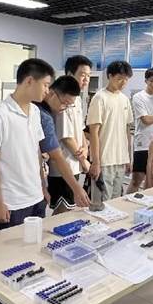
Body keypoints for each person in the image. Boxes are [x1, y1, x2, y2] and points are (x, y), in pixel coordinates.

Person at [0, 58, 54, 304]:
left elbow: (36, 152)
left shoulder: (35, 113)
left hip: (34, 200)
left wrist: (43, 186)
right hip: (10, 204)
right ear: (29, 81)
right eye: (46, 85)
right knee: (8, 265)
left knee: (32, 260)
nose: (48, 91)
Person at [36, 75, 90, 208]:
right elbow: (58, 154)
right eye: (64, 103)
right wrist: (77, 188)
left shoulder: (48, 111)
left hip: (41, 175)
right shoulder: (43, 114)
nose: (64, 107)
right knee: (63, 208)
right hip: (57, 170)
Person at [87, 60, 133, 200]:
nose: (123, 83)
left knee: (116, 201)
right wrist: (96, 162)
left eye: (126, 79)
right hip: (104, 160)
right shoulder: (99, 98)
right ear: (110, 76)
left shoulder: (125, 99)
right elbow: (93, 132)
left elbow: (127, 131)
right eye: (119, 79)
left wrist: (128, 158)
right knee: (102, 202)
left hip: (120, 159)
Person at [127, 66, 153, 193]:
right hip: (143, 143)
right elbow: (146, 120)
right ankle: (127, 201)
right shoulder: (138, 97)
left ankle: (149, 202)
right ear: (146, 81)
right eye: (152, 81)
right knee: (137, 180)